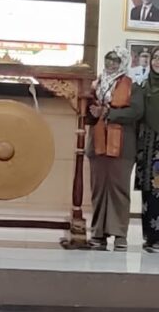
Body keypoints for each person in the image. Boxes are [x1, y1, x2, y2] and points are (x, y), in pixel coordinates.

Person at [86, 47, 143, 251]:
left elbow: (136, 111)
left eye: (115, 60)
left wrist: (108, 113)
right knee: (98, 189)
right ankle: (98, 233)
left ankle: (119, 235)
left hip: (123, 145)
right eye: (108, 59)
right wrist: (93, 111)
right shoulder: (96, 84)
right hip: (98, 143)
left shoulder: (133, 86)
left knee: (119, 189)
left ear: (123, 62)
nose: (111, 64)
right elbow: (87, 111)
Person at [137, 47, 159, 252]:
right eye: (155, 57)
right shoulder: (143, 85)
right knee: (148, 192)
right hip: (146, 146)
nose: (157, 61)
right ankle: (150, 237)